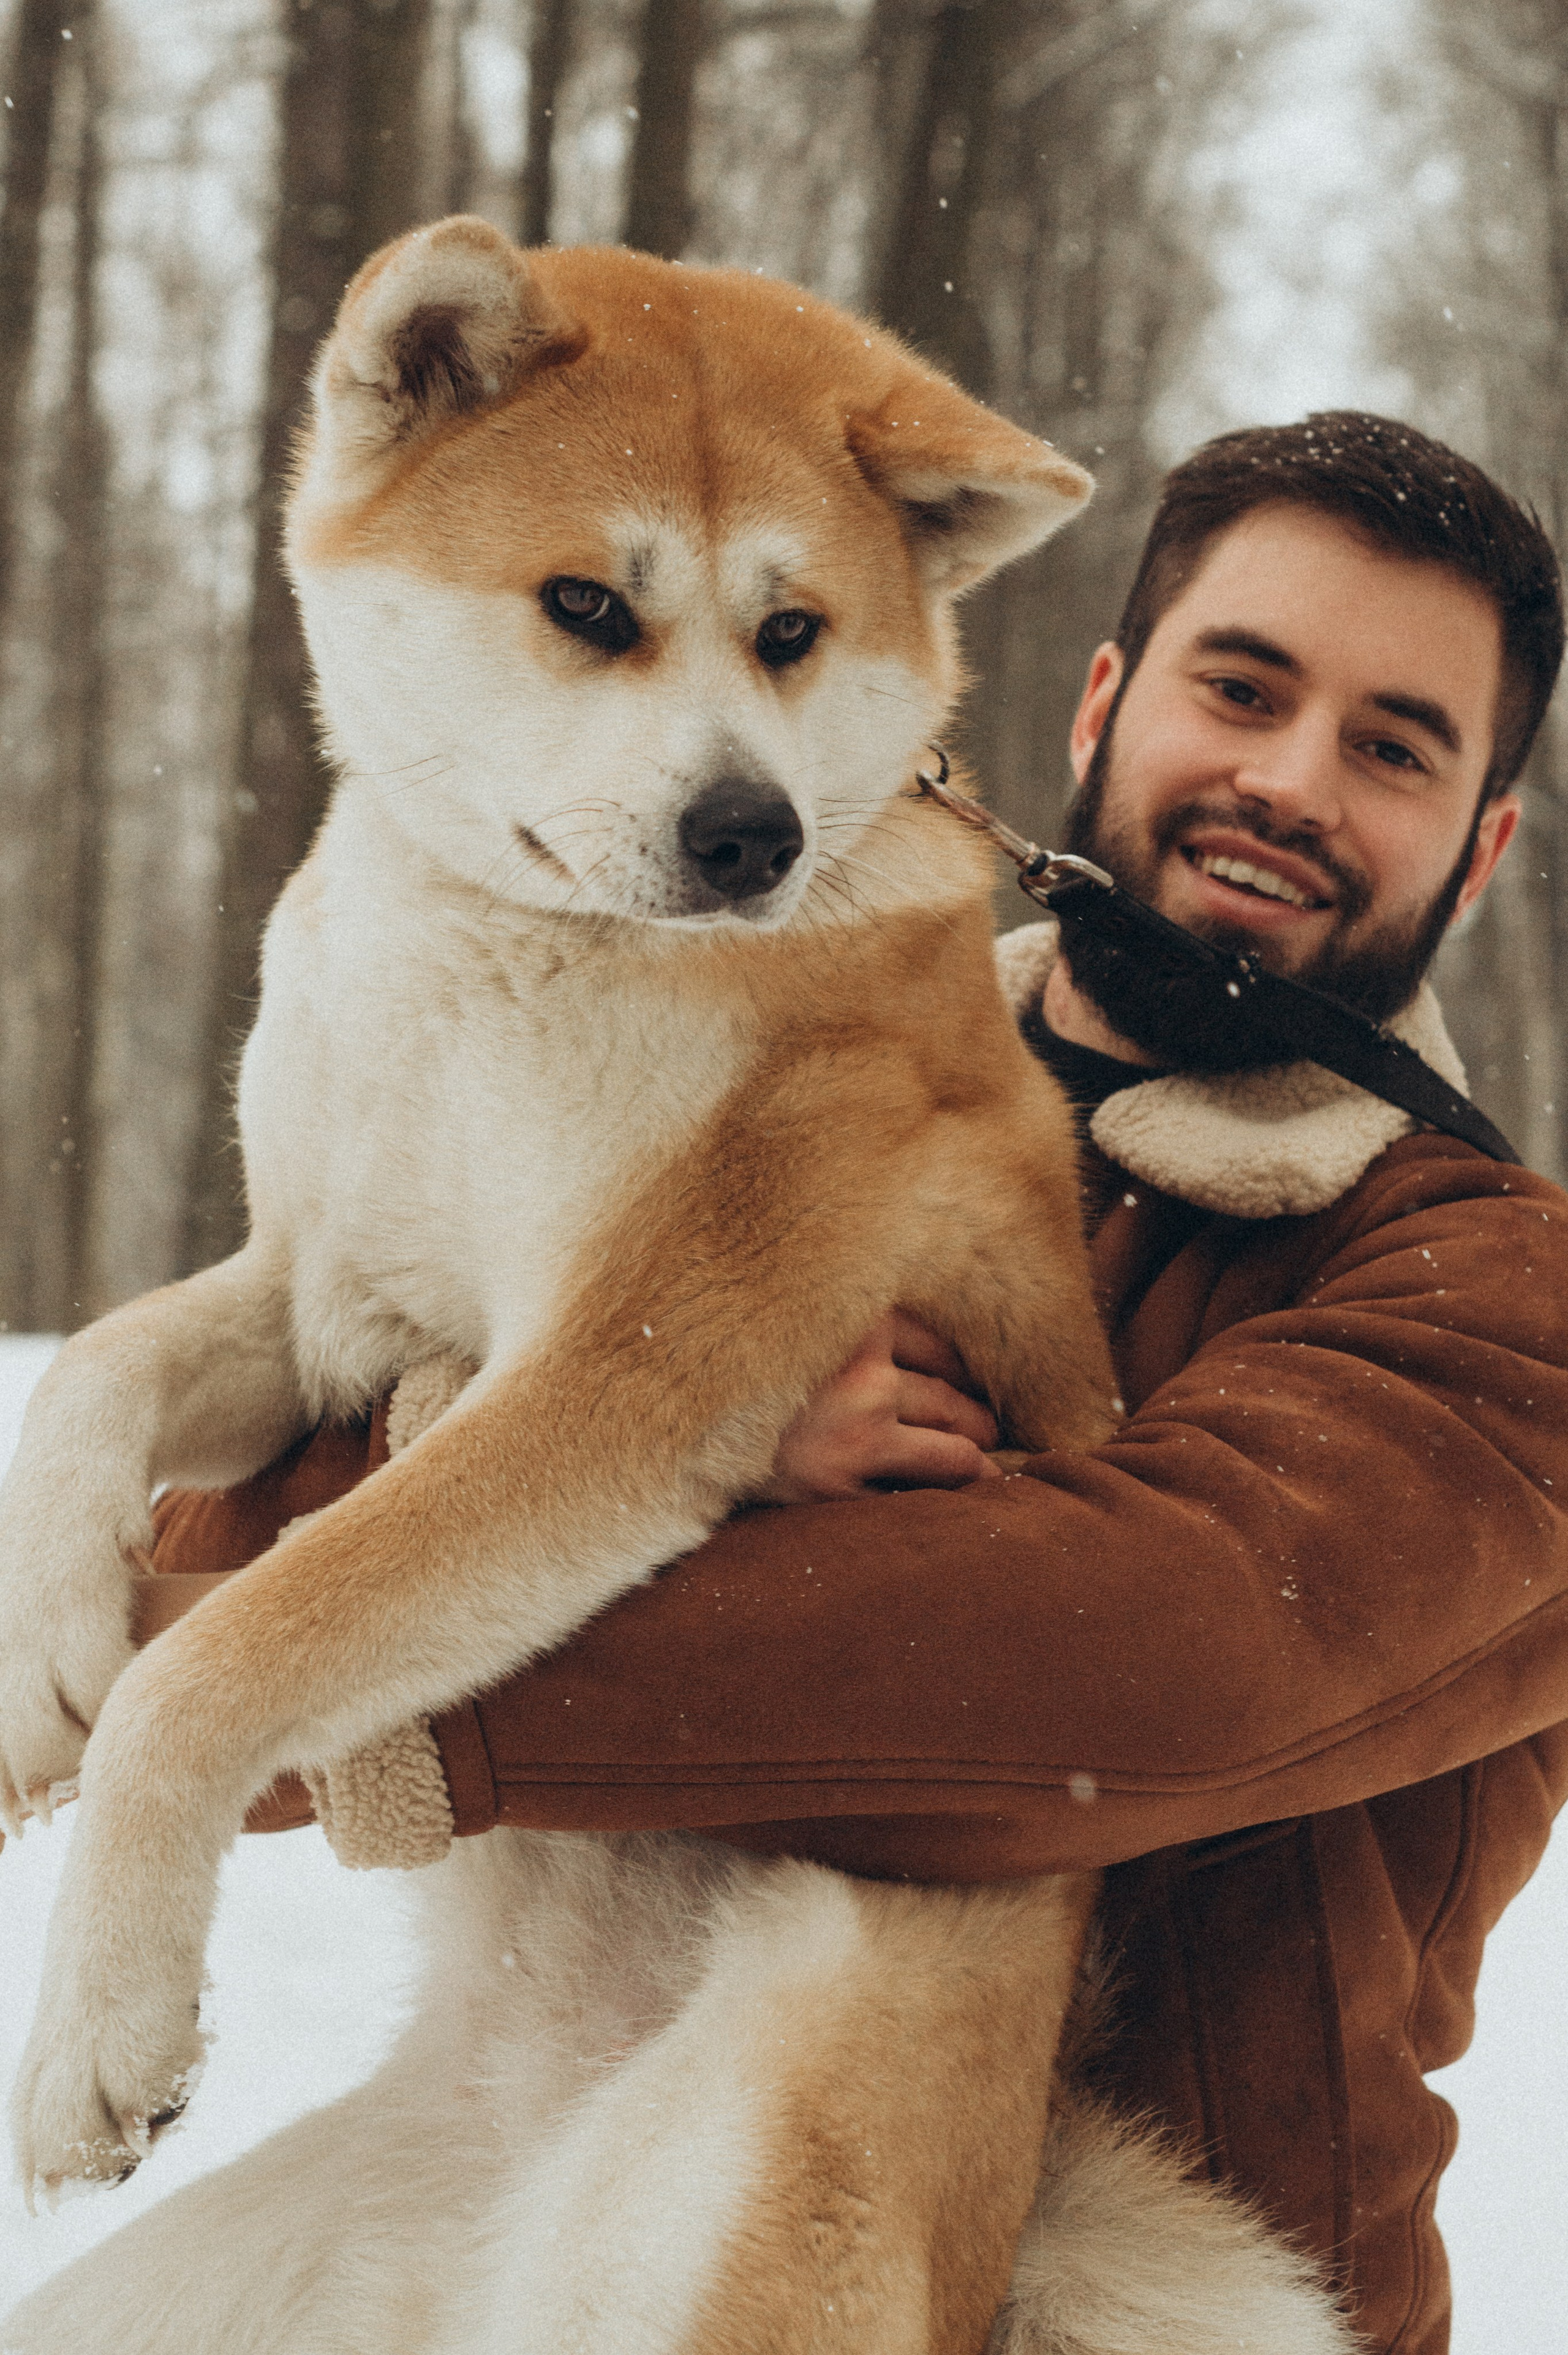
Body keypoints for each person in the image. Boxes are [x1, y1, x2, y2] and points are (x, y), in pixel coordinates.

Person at [150, 413, 1568, 2355]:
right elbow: (224, 1529)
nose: (1288, 778)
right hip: (543, 2183)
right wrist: (621, 1413)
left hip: (1142, 2293)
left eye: (1395, 747)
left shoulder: (1499, 1291)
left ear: (1484, 841)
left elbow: (1135, 1659)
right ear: (1100, 702)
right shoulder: (752, 1064)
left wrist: (396, 1670)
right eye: (1241, 686)